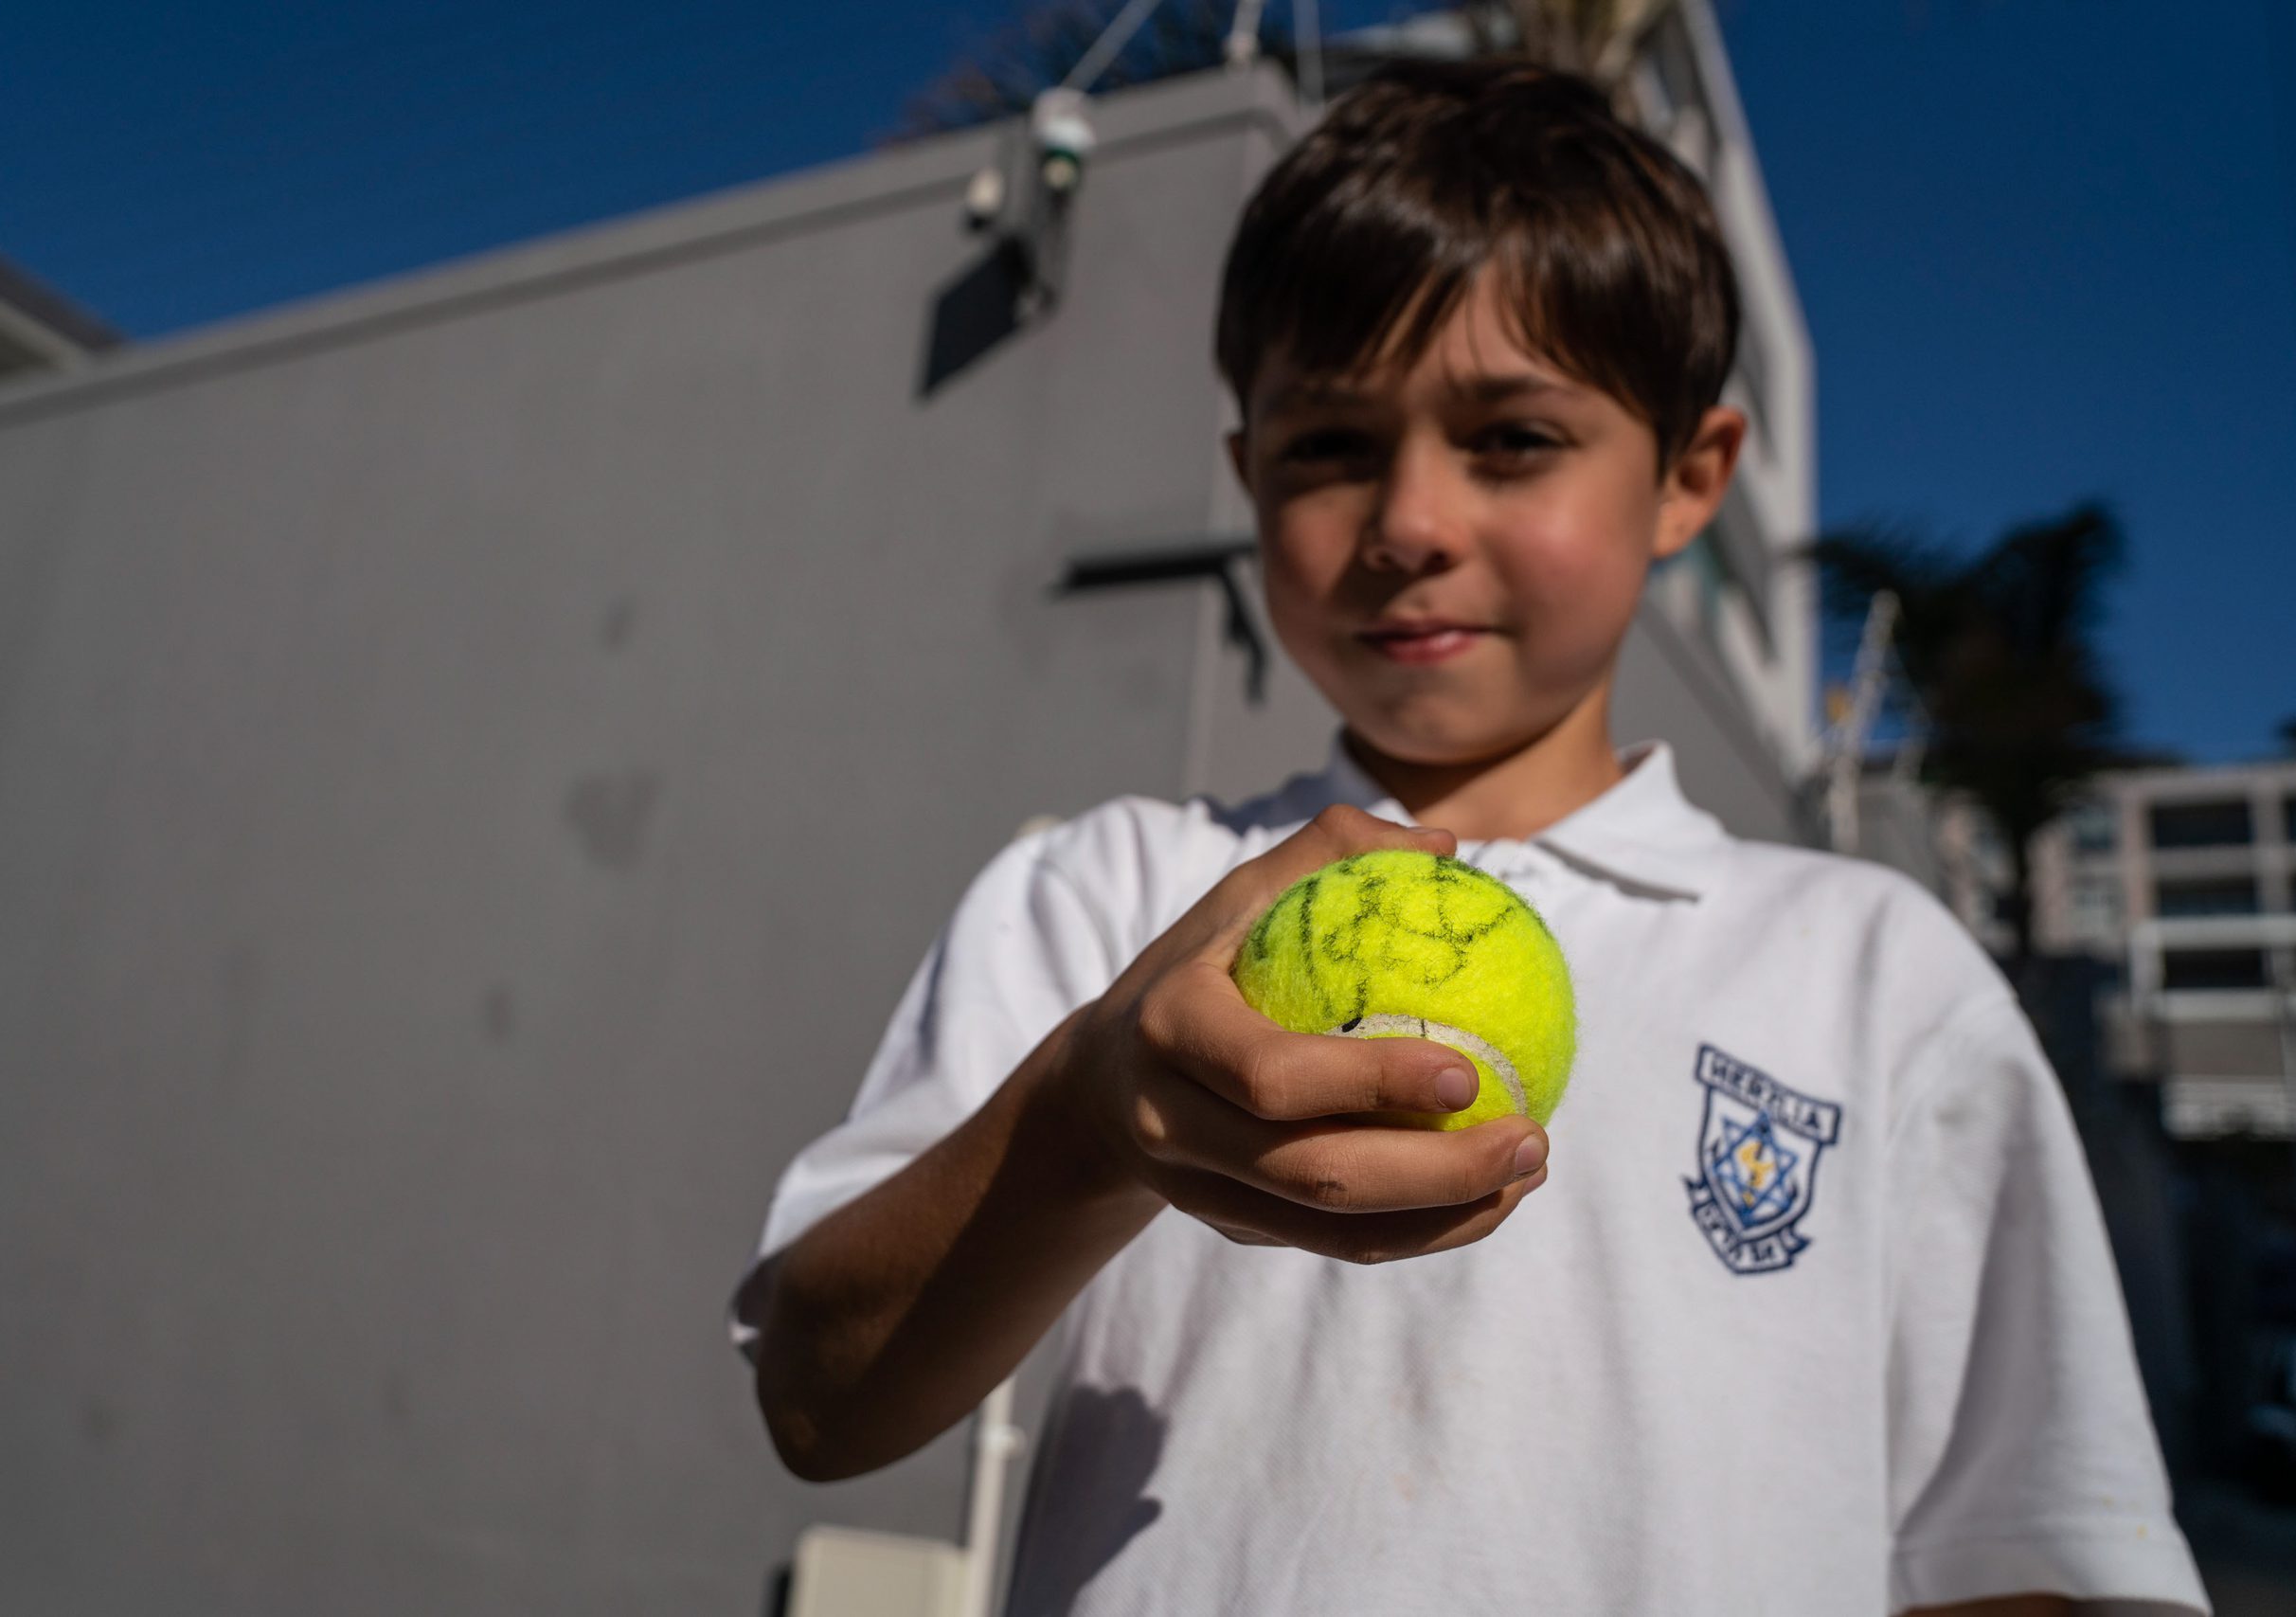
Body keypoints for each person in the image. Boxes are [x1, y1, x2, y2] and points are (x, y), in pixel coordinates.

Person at [727, 57, 2208, 1617]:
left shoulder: (1880, 975)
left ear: (1691, 479)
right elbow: (819, 1402)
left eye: (1512, 440)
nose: (1409, 521)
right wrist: (1089, 1130)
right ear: (1246, 476)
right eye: (1326, 446)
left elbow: (2021, 1550)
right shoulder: (1105, 894)